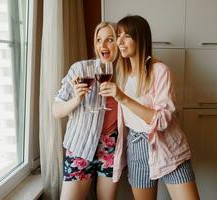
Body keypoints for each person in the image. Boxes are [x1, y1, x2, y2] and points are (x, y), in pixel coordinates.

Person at [99, 15, 200, 200]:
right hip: (136, 146)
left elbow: (162, 121)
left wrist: (122, 97)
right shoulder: (119, 73)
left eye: (127, 36)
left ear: (141, 38)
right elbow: (100, 54)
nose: (120, 41)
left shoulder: (159, 71)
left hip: (167, 144)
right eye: (118, 35)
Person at [53, 22, 119, 200]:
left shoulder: (127, 74)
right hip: (80, 144)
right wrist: (76, 99)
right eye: (99, 40)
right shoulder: (81, 69)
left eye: (109, 40)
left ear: (119, 43)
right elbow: (56, 110)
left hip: (111, 145)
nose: (103, 46)